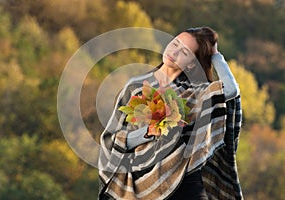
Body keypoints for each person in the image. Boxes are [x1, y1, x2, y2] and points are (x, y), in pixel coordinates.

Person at [98, 27, 243, 200]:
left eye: (184, 51)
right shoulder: (135, 87)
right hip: (140, 181)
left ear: (192, 63)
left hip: (186, 182)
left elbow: (231, 90)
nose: (174, 52)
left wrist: (216, 56)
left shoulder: (194, 93)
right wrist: (148, 133)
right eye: (175, 43)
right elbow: (112, 139)